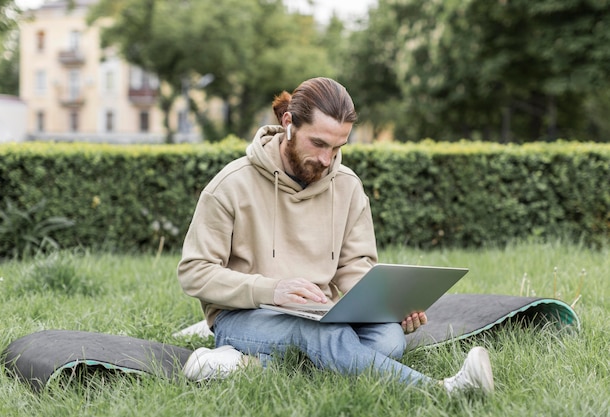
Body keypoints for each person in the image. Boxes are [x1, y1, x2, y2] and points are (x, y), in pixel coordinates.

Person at [177, 77, 494, 394]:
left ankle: (242, 365)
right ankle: (443, 391)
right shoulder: (230, 185)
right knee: (319, 337)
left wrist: (388, 306)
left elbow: (354, 266)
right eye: (318, 143)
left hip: (322, 314)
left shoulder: (347, 186)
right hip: (244, 316)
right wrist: (271, 290)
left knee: (389, 339)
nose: (327, 160)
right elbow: (194, 272)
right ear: (289, 123)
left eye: (337, 147)